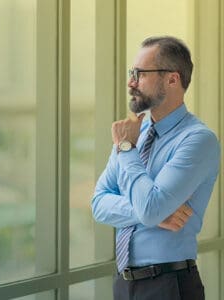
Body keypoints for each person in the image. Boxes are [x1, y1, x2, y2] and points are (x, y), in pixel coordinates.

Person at [91, 36, 220, 300]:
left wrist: (126, 149)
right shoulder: (135, 132)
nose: (130, 82)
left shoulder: (198, 139)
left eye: (139, 74)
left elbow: (151, 207)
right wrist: (148, 214)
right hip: (125, 283)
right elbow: (99, 203)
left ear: (172, 79)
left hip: (169, 285)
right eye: (131, 73)